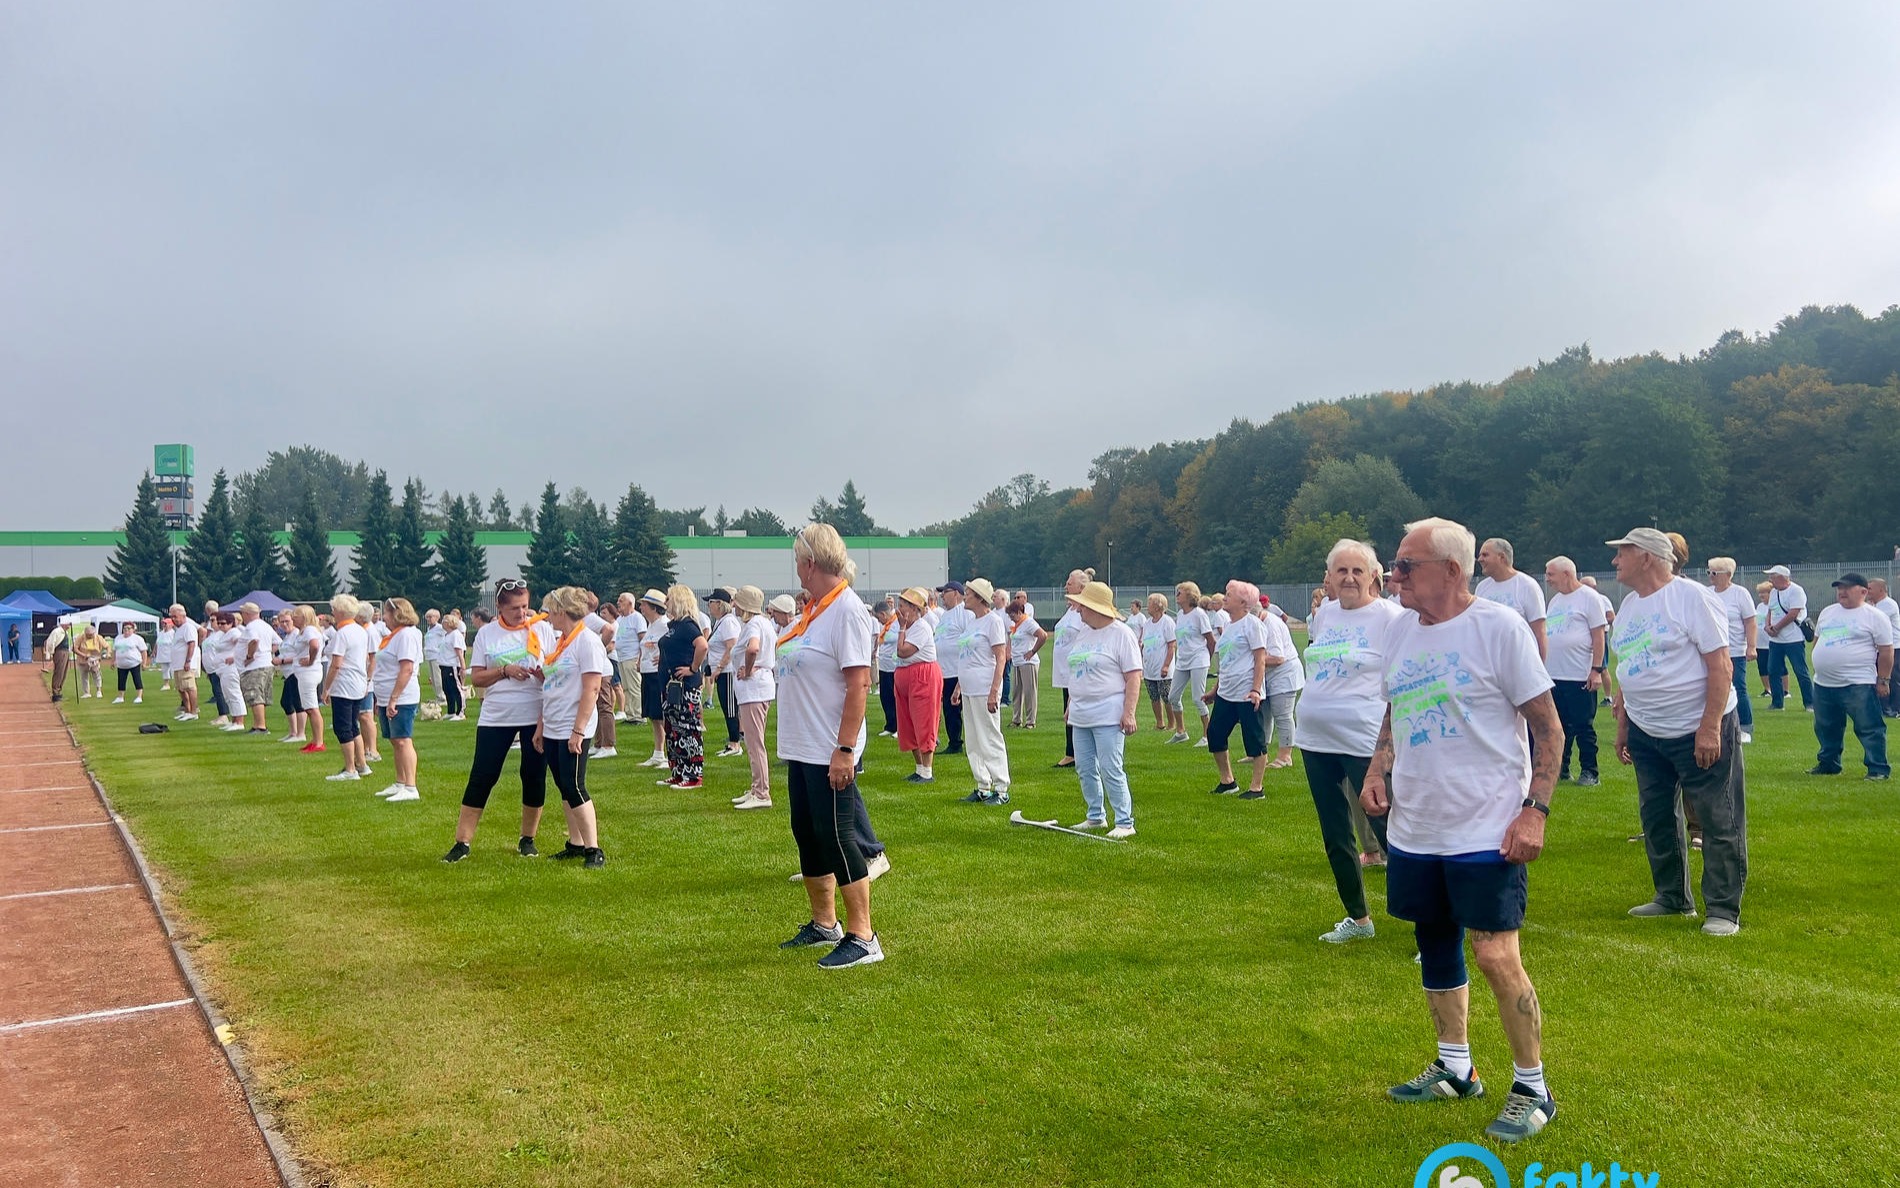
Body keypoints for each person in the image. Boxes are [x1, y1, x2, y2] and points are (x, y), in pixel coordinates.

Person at [1361, 516, 1562, 1144]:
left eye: (1404, 566)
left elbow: (1548, 728)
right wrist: (1377, 765)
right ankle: (1455, 1068)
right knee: (1435, 939)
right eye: (1393, 566)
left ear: (1451, 570)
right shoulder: (1400, 631)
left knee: (1495, 952)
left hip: (1488, 824)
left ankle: (1532, 1086)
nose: (1392, 577)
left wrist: (1535, 809)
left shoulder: (1497, 629)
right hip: (1418, 824)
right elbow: (1396, 704)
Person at [1607, 527, 1747, 936]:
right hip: (1647, 732)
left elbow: (1721, 666)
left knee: (1718, 815)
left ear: (1648, 557)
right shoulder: (1631, 604)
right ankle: (1671, 897)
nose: (1616, 561)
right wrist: (1624, 726)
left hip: (1696, 728)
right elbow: (1626, 670)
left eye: (1623, 553)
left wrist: (1709, 728)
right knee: (1656, 816)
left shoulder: (1692, 598)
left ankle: (1723, 910)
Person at [774, 523, 885, 969]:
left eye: (798, 561)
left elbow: (858, 682)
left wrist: (845, 749)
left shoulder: (847, 611)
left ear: (811, 563)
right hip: (801, 745)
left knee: (839, 838)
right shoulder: (815, 612)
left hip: (828, 746)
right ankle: (825, 924)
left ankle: (864, 935)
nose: (796, 570)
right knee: (808, 833)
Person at [1297, 540, 1403, 943]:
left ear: (1374, 575)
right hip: (1316, 738)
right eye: (1341, 571)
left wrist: (1387, 748)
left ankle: (1430, 925)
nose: (1349, 578)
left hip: (1364, 742)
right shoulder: (1324, 615)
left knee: (1392, 830)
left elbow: (1399, 685)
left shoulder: (1390, 618)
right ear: (1330, 576)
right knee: (1335, 833)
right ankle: (1358, 919)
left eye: (1358, 571)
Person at [443, 579, 561, 861]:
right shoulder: (487, 634)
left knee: (533, 775)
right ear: (499, 607)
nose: (522, 613)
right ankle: (462, 842)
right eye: (515, 608)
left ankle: (528, 838)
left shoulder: (541, 629)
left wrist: (545, 673)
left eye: (525, 606)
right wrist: (505, 670)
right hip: (497, 714)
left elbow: (556, 670)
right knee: (483, 775)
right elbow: (477, 676)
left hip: (535, 712)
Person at [527, 587, 610, 866]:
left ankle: (593, 848)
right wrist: (541, 725)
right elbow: (551, 686)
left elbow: (592, 688)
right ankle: (575, 843)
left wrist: (578, 730)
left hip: (572, 726)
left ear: (563, 611)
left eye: (551, 610)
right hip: (554, 724)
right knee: (564, 786)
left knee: (575, 786)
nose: (547, 616)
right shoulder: (561, 641)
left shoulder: (586, 641)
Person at [1062, 581, 1142, 839]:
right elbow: (1076, 673)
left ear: (1095, 608)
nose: (1078, 611)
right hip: (1081, 712)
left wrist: (1128, 712)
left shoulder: (1121, 634)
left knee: (1110, 766)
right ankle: (1095, 815)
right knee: (1084, 767)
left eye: (1082, 606)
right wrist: (1071, 704)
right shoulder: (1084, 633)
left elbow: (1133, 676)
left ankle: (1124, 821)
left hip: (1108, 712)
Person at [1808, 573, 1893, 780]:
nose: (1842, 591)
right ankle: (1829, 763)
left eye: (1847, 588)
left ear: (1863, 591)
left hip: (1858, 683)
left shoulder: (1874, 616)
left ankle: (1878, 769)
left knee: (1869, 727)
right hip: (1824, 683)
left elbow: (1886, 650)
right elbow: (1817, 640)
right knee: (1826, 726)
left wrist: (1883, 680)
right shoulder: (1828, 612)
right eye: (1839, 588)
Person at [1542, 557, 1608, 784]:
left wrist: (1596, 670)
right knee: (1559, 725)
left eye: (1551, 574)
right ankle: (1562, 766)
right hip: (1555, 674)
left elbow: (1599, 636)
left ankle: (1590, 771)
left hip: (1579, 674)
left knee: (1583, 726)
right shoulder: (1556, 601)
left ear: (1567, 574)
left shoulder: (1589, 598)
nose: (1547, 579)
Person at [1204, 581, 1272, 798]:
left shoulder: (1252, 625)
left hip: (1246, 693)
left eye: (1228, 595)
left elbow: (1260, 659)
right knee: (1215, 734)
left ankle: (1256, 788)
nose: (1224, 598)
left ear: (1243, 602)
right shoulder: (1230, 626)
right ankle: (1228, 781)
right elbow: (1226, 662)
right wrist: (1215, 689)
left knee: (1254, 740)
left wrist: (1255, 690)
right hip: (1226, 693)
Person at [951, 578, 1011, 804]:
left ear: (979, 598)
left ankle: (1001, 787)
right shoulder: (971, 623)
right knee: (974, 739)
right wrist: (959, 686)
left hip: (985, 687)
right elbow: (966, 658)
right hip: (969, 688)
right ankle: (983, 785)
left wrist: (994, 691)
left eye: (968, 593)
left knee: (990, 736)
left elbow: (1000, 657)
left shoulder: (993, 621)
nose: (964, 596)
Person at [723, 586, 779, 810]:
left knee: (755, 743)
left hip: (754, 688)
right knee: (754, 742)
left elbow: (753, 649)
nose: (734, 605)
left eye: (737, 602)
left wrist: (747, 669)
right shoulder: (762, 622)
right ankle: (757, 787)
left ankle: (762, 792)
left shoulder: (754, 624)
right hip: (757, 688)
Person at [367, 598, 425, 801]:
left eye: (387, 613)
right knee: (394, 740)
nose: (383, 617)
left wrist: (394, 698)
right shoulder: (394, 636)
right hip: (386, 696)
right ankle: (400, 781)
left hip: (401, 697)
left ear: (397, 614)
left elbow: (407, 669)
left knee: (403, 740)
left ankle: (411, 787)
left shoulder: (407, 635)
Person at [657, 585, 709, 789]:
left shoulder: (688, 624)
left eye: (669, 598)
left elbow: (702, 645)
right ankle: (678, 771)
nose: (666, 602)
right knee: (673, 729)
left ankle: (694, 774)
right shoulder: (674, 625)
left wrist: (693, 668)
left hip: (685, 686)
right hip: (671, 686)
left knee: (688, 729)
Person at [320, 596, 374, 781]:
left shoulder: (341, 634)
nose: (333, 613)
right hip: (358, 682)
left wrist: (326, 689)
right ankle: (362, 764)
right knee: (353, 725)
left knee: (343, 727)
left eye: (334, 610)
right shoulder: (360, 631)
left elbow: (336, 664)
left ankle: (350, 769)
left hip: (344, 684)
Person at [893, 587, 943, 781]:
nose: (900, 608)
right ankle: (919, 768)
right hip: (906, 675)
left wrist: (902, 628)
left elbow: (903, 651)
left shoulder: (921, 627)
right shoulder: (909, 626)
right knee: (908, 723)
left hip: (922, 675)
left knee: (924, 720)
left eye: (903, 605)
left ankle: (927, 771)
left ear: (914, 608)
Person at [1706, 559, 1758, 744]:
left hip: (1735, 649)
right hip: (1713, 649)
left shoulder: (1739, 594)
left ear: (1728, 575)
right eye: (1709, 572)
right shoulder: (1707, 593)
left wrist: (1751, 646)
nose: (1711, 577)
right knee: (1713, 687)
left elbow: (1750, 621)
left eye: (1715, 573)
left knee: (1738, 686)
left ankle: (1745, 726)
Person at [1476, 538, 1549, 660]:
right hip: (1489, 662)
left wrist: (1540, 668)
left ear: (1501, 557)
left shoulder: (1527, 586)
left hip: (1519, 660)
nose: (1480, 560)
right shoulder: (1482, 588)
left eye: (1485, 555)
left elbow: (1539, 632)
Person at [1049, 568, 1093, 768]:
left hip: (1078, 671)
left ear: (1081, 587)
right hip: (1064, 672)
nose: (1066, 585)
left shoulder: (1085, 611)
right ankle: (1072, 751)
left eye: (1070, 582)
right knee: (1068, 710)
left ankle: (1076, 753)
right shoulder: (1070, 609)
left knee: (1075, 710)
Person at [1168, 581, 1215, 745]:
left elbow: (1211, 640)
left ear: (1189, 595)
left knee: (1198, 698)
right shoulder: (1180, 615)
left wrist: (1206, 661)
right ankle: (1181, 731)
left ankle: (1208, 735)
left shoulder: (1199, 614)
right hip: (1183, 660)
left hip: (1198, 659)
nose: (1176, 596)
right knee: (1172, 696)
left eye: (1179, 593)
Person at [1762, 564, 1814, 711]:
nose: (1770, 579)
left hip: (1793, 639)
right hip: (1775, 640)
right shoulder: (1774, 593)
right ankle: (1777, 703)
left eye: (1773, 576)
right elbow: (1770, 611)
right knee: (1773, 670)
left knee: (1800, 671)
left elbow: (1793, 613)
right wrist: (1767, 626)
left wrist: (1776, 627)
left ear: (1782, 577)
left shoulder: (1796, 591)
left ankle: (1810, 703)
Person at [1258, 601, 1302, 768]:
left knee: (1283, 715)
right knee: (1265, 715)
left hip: (1284, 674)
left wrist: (1253, 658)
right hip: (1269, 676)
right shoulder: (1259, 622)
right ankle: (1261, 752)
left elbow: (1278, 658)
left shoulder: (1271, 624)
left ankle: (1285, 756)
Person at [704, 588, 744, 759]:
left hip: (727, 672)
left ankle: (735, 743)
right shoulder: (720, 622)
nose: (709, 606)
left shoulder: (728, 622)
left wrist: (719, 667)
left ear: (719, 604)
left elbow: (732, 646)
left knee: (730, 708)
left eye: (711, 602)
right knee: (727, 707)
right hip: (721, 671)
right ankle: (732, 741)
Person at [933, 582, 971, 755]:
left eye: (945, 592)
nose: (942, 596)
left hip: (957, 670)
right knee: (949, 710)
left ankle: (964, 743)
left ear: (956, 593)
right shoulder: (945, 615)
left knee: (961, 709)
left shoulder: (964, 613)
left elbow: (969, 640)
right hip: (944, 671)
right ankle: (954, 741)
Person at [282, 606, 325, 752]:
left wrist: (311, 660)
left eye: (296, 616)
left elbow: (315, 645)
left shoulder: (309, 630)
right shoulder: (307, 631)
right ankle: (315, 740)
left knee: (312, 708)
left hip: (308, 672)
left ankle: (319, 742)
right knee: (309, 708)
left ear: (304, 617)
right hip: (305, 672)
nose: (293, 618)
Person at [634, 589, 670, 766]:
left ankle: (670, 754)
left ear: (654, 607)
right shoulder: (651, 625)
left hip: (658, 674)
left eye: (644, 605)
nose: (641, 607)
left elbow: (671, 645)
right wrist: (640, 660)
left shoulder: (665, 624)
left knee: (662, 715)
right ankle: (658, 752)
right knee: (653, 715)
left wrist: (665, 658)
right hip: (647, 673)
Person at [1136, 594, 1176, 731]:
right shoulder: (1147, 623)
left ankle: (1172, 724)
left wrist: (1166, 665)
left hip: (1162, 667)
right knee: (1153, 696)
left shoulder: (1167, 622)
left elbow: (1171, 645)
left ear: (1158, 606)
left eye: (1150, 603)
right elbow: (1143, 643)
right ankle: (1160, 723)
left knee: (1167, 696)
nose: (1148, 606)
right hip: (1149, 667)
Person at [237, 602, 275, 735]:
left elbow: (254, 641)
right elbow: (276, 643)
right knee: (260, 696)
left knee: (254, 695)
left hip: (255, 666)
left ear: (247, 614)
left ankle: (260, 726)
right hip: (266, 664)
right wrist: (266, 653)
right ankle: (258, 724)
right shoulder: (266, 626)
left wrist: (250, 655)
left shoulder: (251, 627)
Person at [1007, 599, 1046, 728]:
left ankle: (1031, 721)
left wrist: (1033, 651)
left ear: (1019, 612)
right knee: (1017, 692)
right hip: (1017, 662)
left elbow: (1043, 636)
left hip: (1028, 662)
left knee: (1030, 692)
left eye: (1012, 614)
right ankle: (1016, 719)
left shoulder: (1029, 622)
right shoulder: (1016, 625)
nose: (1010, 617)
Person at [211, 612, 250, 732]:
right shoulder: (224, 634)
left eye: (223, 623)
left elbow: (243, 644)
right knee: (228, 695)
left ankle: (239, 721)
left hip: (231, 668)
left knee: (234, 693)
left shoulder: (234, 632)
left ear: (231, 623)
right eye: (219, 623)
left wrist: (234, 656)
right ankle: (234, 720)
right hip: (222, 669)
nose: (220, 625)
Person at [1867, 577, 1900, 718]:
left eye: (1870, 589)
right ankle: (1883, 706)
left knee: (1891, 678)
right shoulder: (1876, 605)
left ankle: (1894, 708)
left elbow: (1872, 622)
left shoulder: (1887, 605)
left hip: (1893, 647)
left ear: (1881, 589)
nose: (1868, 592)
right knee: (1880, 677)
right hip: (1881, 648)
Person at [611, 593, 645, 723]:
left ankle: (638, 714)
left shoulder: (637, 618)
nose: (618, 603)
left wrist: (640, 658)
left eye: (621, 601)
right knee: (625, 687)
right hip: (621, 657)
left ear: (630, 603)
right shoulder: (620, 620)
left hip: (632, 657)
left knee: (634, 687)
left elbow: (642, 638)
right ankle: (630, 713)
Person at [873, 597, 902, 737]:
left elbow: (895, 638)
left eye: (879, 618)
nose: (879, 621)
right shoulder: (886, 625)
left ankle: (899, 726)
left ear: (884, 614)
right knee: (886, 697)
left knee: (895, 697)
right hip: (884, 666)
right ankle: (890, 725)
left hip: (894, 666)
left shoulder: (897, 622)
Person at [167, 604, 200, 720]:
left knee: (189, 687)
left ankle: (193, 711)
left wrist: (188, 661)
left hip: (185, 664)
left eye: (175, 616)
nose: (173, 619)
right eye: (171, 617)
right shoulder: (179, 629)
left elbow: (191, 644)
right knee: (181, 688)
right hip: (177, 664)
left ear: (183, 615)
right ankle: (187, 710)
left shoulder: (188, 627)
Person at [438, 612, 469, 721]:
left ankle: (461, 712)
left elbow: (459, 652)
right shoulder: (446, 635)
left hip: (452, 666)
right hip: (444, 665)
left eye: (444, 621)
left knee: (456, 689)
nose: (442, 623)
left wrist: (463, 667)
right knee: (447, 689)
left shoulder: (455, 635)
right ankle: (451, 711)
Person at [110, 621, 148, 703]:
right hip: (121, 664)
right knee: (121, 680)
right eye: (125, 628)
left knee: (137, 679)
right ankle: (120, 697)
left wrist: (144, 663)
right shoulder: (118, 638)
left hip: (134, 663)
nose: (126, 630)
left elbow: (144, 651)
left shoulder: (137, 638)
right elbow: (114, 650)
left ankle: (139, 696)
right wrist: (113, 661)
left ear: (133, 629)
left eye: (129, 628)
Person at [75, 623, 108, 698]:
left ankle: (99, 691)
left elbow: (107, 646)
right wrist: (83, 655)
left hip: (95, 659)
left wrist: (107, 653)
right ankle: (87, 692)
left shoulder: (98, 637)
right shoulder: (80, 637)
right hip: (83, 660)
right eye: (88, 634)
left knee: (97, 675)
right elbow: (75, 648)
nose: (89, 636)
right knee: (84, 676)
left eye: (91, 634)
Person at [45, 618, 70, 701]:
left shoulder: (66, 632)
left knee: (63, 672)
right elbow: (50, 642)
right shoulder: (57, 631)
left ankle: (58, 691)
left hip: (65, 652)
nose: (69, 625)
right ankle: (55, 692)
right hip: (60, 652)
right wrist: (50, 654)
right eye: (68, 623)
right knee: (59, 672)